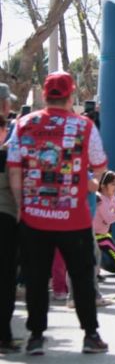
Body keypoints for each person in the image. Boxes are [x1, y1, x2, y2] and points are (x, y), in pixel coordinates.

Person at [9, 72, 110, 355]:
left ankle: (36, 337)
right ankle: (90, 335)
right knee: (82, 277)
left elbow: (14, 169)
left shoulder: (24, 124)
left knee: (36, 278)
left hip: (34, 217)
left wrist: (20, 206)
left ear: (45, 95)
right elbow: (101, 167)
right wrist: (90, 184)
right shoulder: (84, 126)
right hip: (74, 219)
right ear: (70, 95)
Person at [0, 115, 18, 354]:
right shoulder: (7, 157)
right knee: (5, 278)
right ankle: (3, 335)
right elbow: (16, 186)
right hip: (4, 218)